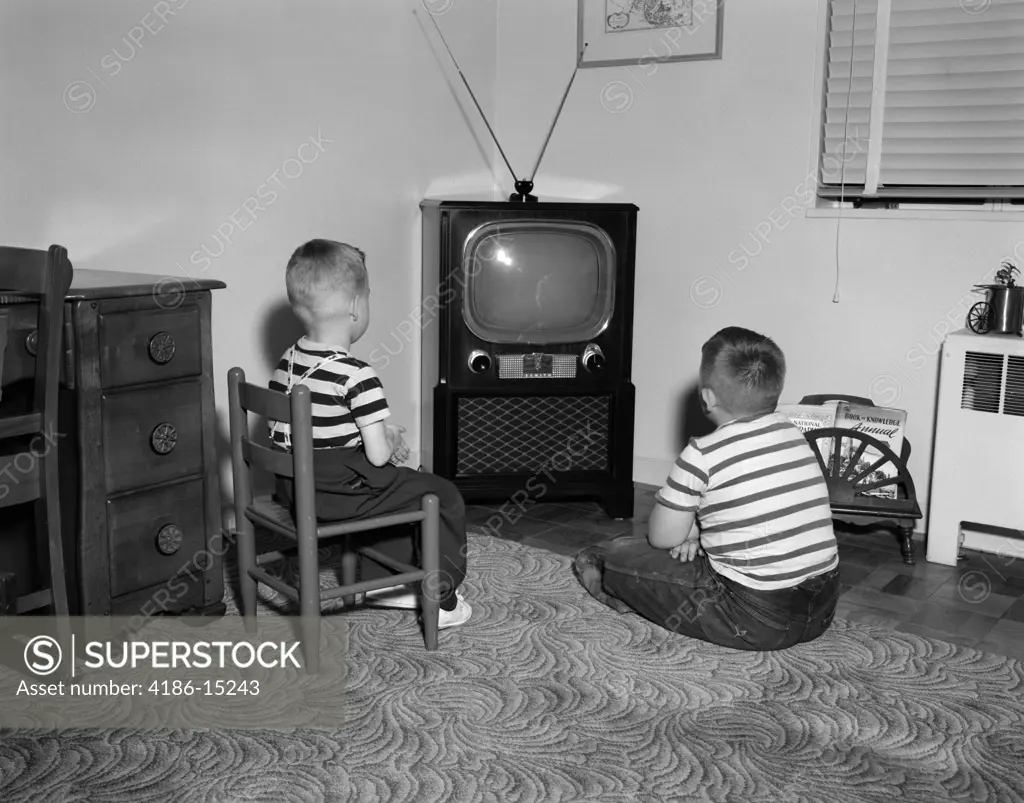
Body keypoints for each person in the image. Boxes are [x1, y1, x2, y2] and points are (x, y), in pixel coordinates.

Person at [573, 326, 839, 650]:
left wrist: (685, 531)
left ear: (707, 397)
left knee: (612, 554)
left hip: (754, 619)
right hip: (822, 607)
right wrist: (698, 531)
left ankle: (626, 593)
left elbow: (661, 537)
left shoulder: (702, 453)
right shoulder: (795, 435)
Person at [268, 239, 471, 628]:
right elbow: (378, 456)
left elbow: (319, 433)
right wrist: (390, 438)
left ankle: (382, 584)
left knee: (397, 487)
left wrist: (378, 434)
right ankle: (441, 596)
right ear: (357, 307)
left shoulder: (288, 362)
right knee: (439, 493)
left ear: (298, 306)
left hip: (297, 490)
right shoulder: (355, 375)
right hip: (337, 498)